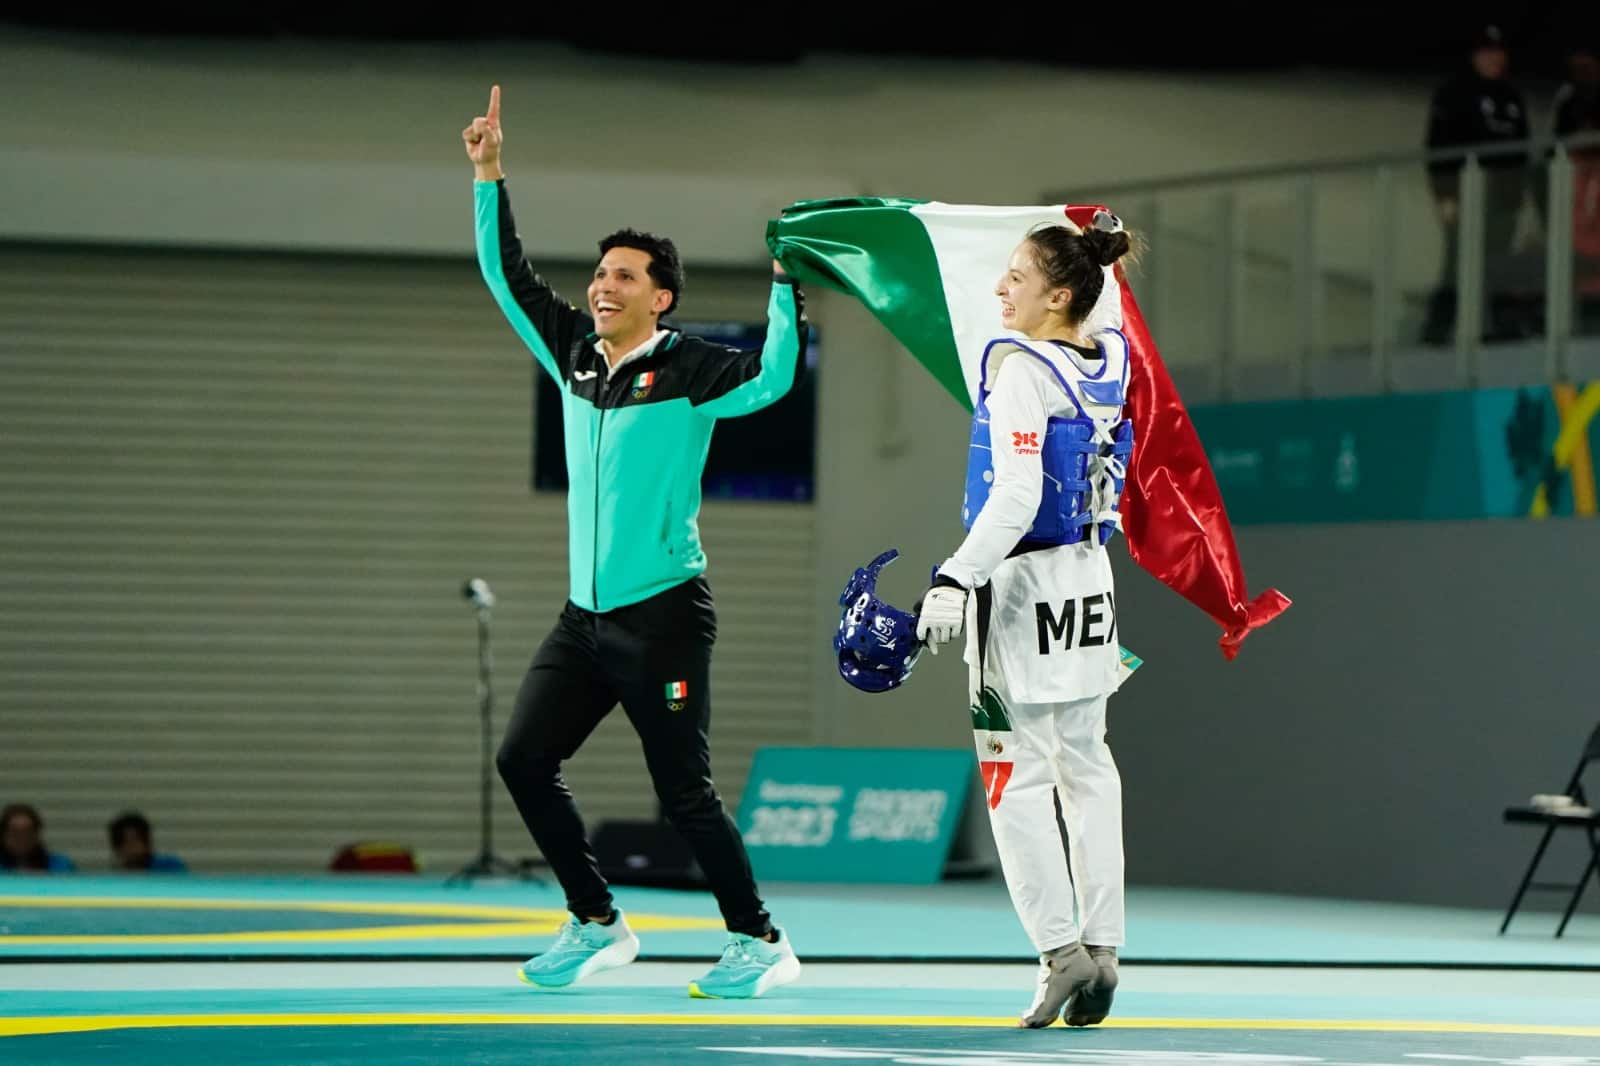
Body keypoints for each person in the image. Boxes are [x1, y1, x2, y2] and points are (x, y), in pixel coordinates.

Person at [462, 85, 805, 1000]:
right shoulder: (572, 353)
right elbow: (508, 276)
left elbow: (774, 381)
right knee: (524, 761)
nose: (601, 285)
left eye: (622, 276)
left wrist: (783, 289)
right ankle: (598, 922)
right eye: (600, 273)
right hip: (585, 618)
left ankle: (760, 942)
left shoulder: (692, 368)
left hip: (663, 616)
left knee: (683, 792)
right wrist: (490, 174)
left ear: (660, 295)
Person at [913, 214, 1135, 1028]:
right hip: (1091, 580)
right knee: (1089, 768)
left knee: (1014, 779)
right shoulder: (1110, 355)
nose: (1000, 289)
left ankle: (1060, 954)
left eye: (1017, 276)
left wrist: (952, 577)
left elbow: (1015, 494)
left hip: (1024, 588)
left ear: (1061, 294)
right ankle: (1106, 946)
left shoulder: (1020, 373)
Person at [1421, 24, 1533, 344]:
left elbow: (1521, 149)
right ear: (1475, 56)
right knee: (1459, 260)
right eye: (1487, 53)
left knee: (1497, 261)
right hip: (1464, 191)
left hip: (1503, 194)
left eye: (1499, 53)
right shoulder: (1453, 92)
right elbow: (1438, 148)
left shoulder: (1511, 96)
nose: (1495, 59)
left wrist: (1519, 196)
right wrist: (1445, 197)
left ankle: (1499, 328)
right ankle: (1438, 329)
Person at [1, 803, 76, 873]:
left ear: (37, 834)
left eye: (27, 833)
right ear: (4, 834)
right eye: (15, 833)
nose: (22, 838)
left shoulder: (60, 866)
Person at [107, 811, 188, 873]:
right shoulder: (118, 878)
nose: (131, 848)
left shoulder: (170, 868)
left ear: (147, 841)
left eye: (134, 841)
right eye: (124, 843)